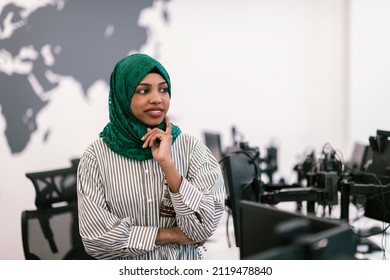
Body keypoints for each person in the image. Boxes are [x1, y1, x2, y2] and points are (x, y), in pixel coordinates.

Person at [76, 53, 225, 260]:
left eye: (163, 90)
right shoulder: (96, 157)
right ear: (123, 94)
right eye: (143, 91)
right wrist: (171, 234)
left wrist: (168, 166)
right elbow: (97, 240)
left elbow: (203, 229)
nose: (157, 99)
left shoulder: (191, 149)